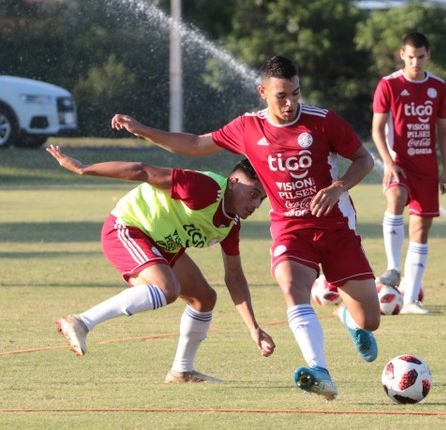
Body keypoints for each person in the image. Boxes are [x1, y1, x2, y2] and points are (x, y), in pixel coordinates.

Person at [110, 55, 381, 401]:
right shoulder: (247, 127)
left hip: (336, 226)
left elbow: (365, 160)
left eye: (295, 94)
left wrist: (338, 186)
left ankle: (348, 316)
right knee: (291, 285)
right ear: (262, 93)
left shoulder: (323, 122)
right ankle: (320, 371)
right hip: (290, 228)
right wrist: (143, 130)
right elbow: (194, 145)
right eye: (281, 96)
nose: (290, 103)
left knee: (369, 319)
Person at [47, 144, 275, 383]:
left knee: (204, 298)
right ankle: (81, 322)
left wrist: (254, 328)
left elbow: (235, 276)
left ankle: (182, 371)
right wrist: (84, 169)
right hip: (128, 227)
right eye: (253, 194)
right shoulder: (205, 189)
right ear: (233, 183)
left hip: (162, 244)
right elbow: (143, 170)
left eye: (262, 198)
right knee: (168, 289)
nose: (256, 204)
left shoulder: (231, 224)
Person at [371, 32, 446, 314]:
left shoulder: (438, 87)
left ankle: (410, 301)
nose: (415, 62)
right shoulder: (389, 85)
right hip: (399, 163)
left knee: (420, 231)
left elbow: (443, 130)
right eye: (410, 56)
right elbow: (377, 129)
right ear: (401, 55)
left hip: (428, 168)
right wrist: (388, 163)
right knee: (395, 198)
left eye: (420, 56)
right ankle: (392, 267)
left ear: (428, 55)